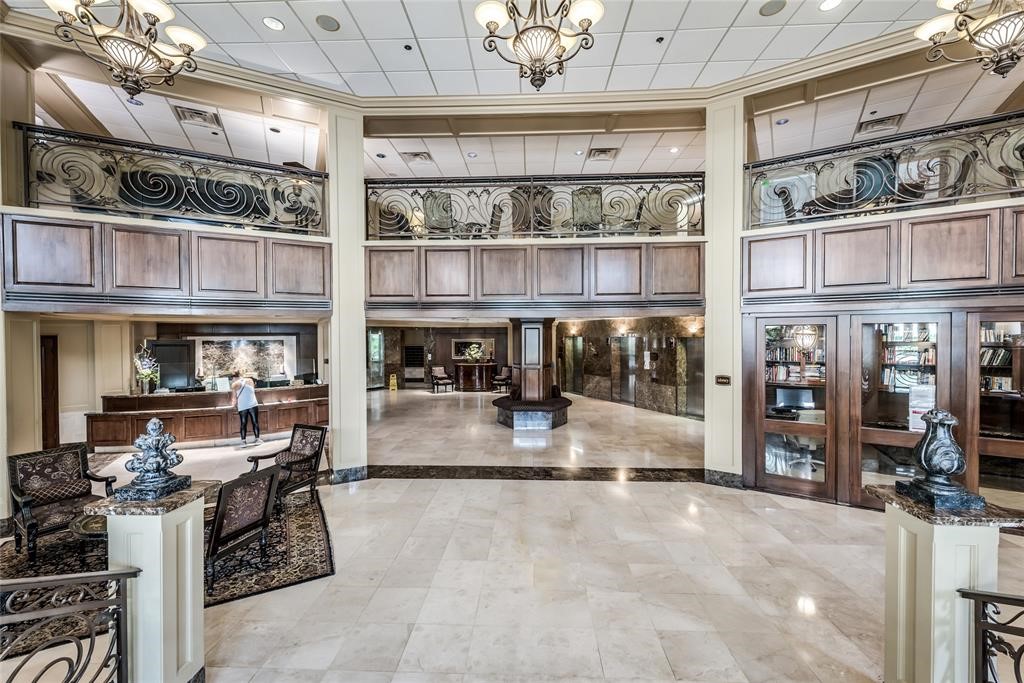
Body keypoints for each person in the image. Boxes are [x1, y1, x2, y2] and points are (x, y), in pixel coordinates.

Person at [231, 372, 262, 448]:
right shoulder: (250, 380)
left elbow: (234, 398)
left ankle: (243, 442)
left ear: (234, 378)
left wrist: (233, 405)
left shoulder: (235, 385)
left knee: (243, 424)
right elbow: (252, 391)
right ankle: (257, 439)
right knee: (255, 422)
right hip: (253, 404)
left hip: (242, 406)